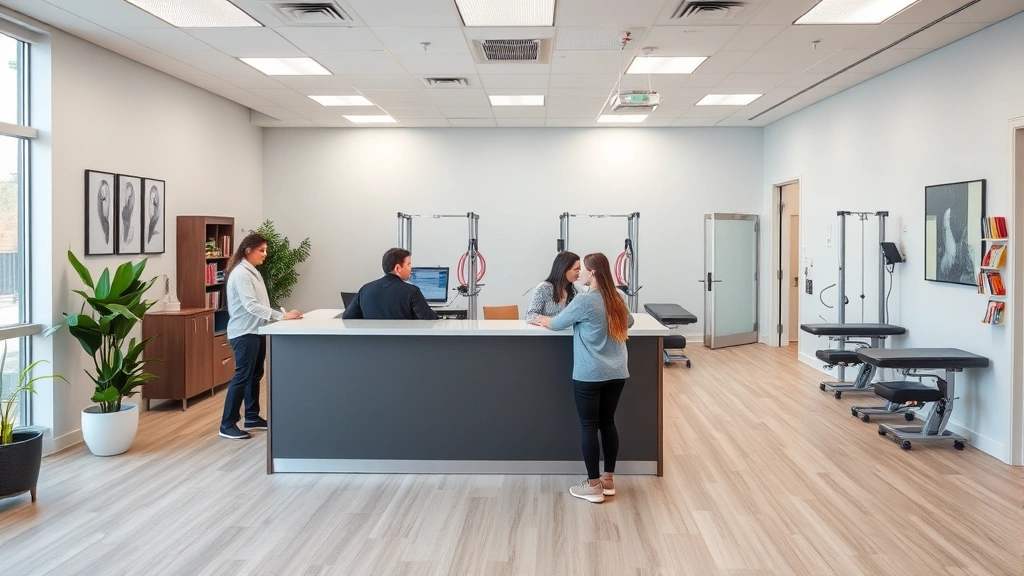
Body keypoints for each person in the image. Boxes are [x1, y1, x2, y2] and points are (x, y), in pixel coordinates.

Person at [532, 252, 630, 504]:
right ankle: (608, 480)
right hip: (617, 371)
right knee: (608, 422)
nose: (582, 274)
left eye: (584, 269)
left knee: (589, 425)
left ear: (593, 273)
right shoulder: (617, 297)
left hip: (590, 374)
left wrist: (544, 320)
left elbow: (556, 324)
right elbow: (628, 320)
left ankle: (594, 485)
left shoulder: (585, 301)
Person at [219, 233, 302, 440]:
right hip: (244, 332)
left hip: (256, 331)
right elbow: (250, 305)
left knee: (254, 375)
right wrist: (281, 316)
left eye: (266, 250)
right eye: (261, 250)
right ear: (248, 250)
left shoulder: (252, 272)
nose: (265, 255)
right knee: (242, 376)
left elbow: (260, 304)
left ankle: (252, 417)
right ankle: (227, 423)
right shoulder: (241, 274)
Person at [342, 248, 438, 320]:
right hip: (405, 344)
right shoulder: (412, 291)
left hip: (372, 344)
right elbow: (429, 320)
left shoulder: (365, 289)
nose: (411, 268)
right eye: (408, 264)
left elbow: (347, 317)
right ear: (398, 268)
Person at [524, 251, 580, 323]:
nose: (579, 273)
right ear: (564, 269)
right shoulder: (544, 288)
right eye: (576, 270)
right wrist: (552, 322)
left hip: (569, 333)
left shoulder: (575, 289)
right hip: (547, 332)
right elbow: (530, 315)